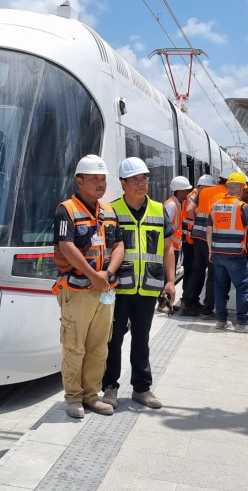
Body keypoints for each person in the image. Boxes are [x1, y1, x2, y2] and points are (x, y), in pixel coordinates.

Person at [52, 154, 125, 419]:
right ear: (79, 181)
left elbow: (119, 244)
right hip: (77, 291)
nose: (100, 184)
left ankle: (91, 396)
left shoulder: (109, 210)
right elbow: (66, 246)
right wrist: (93, 274)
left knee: (99, 347)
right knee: (74, 346)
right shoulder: (66, 209)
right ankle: (73, 398)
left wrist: (107, 273)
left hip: (104, 289)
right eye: (94, 179)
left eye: (102, 179)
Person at [101, 157, 176, 410]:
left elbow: (168, 249)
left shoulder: (158, 209)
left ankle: (141, 388)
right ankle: (110, 387)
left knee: (142, 339)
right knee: (113, 340)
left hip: (149, 286)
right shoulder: (111, 211)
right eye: (135, 179)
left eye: (144, 178)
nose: (141, 183)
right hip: (118, 288)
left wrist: (171, 281)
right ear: (122, 183)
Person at [206, 172, 248, 333]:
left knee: (220, 286)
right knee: (243, 286)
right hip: (235, 253)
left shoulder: (215, 205)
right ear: (241, 188)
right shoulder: (242, 206)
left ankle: (221, 320)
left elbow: (209, 230)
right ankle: (242, 323)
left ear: (228, 187)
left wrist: (210, 250)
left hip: (217, 251)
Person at [186, 170, 229, 318]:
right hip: (213, 239)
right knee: (213, 274)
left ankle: (187, 301)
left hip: (198, 236)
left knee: (197, 270)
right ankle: (207, 308)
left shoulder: (204, 192)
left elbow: (190, 209)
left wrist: (197, 222)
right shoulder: (227, 196)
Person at [179, 175, 215, 316]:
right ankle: (191, 301)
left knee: (196, 270)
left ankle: (189, 301)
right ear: (201, 187)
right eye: (208, 188)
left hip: (195, 237)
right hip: (195, 237)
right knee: (198, 270)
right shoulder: (195, 195)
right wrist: (199, 221)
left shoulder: (197, 195)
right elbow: (189, 210)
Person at [160, 176, 192, 313]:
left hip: (175, 246)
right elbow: (164, 225)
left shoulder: (177, 204)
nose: (187, 194)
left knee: (169, 276)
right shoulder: (171, 205)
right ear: (179, 192)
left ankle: (167, 304)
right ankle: (162, 304)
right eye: (186, 191)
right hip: (169, 247)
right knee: (167, 277)